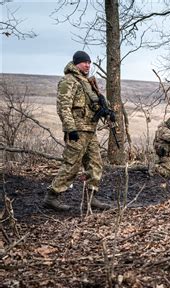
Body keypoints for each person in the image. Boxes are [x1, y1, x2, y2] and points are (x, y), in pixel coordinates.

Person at [43, 51, 113, 212]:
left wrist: (106, 110)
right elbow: (63, 107)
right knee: (71, 165)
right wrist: (70, 128)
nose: (87, 65)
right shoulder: (69, 81)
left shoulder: (86, 82)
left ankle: (91, 198)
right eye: (84, 62)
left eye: (89, 62)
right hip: (77, 131)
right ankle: (52, 197)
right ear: (76, 63)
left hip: (89, 130)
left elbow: (92, 104)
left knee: (95, 163)